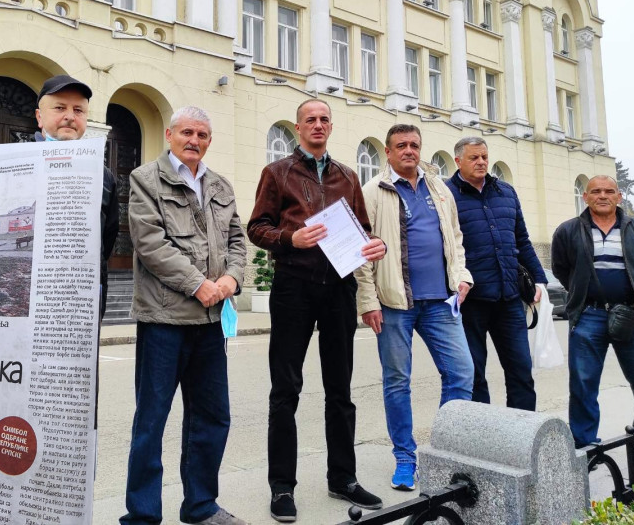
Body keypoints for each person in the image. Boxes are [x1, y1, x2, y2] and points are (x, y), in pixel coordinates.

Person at [247, 98, 387, 522]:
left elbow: (362, 230)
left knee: (340, 391)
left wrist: (373, 246)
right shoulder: (278, 173)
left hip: (339, 288)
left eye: (325, 119)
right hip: (294, 287)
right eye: (311, 119)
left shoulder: (347, 175)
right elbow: (257, 228)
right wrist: (291, 239)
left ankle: (342, 477)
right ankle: (282, 487)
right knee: (285, 390)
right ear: (298, 127)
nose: (318, 125)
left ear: (332, 125)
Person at [120, 106, 248, 525]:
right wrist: (199, 284)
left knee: (212, 418)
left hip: (212, 324)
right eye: (187, 132)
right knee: (151, 422)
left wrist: (231, 280)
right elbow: (150, 244)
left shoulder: (220, 185)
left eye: (203, 134)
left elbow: (237, 242)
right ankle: (142, 516)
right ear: (170, 134)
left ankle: (201, 506)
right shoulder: (145, 179)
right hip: (164, 321)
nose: (195, 140)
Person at [355, 124, 474, 492]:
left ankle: (443, 453)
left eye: (415, 145)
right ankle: (405, 459)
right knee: (397, 382)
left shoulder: (440, 189)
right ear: (387, 152)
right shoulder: (373, 191)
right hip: (394, 304)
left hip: (441, 301)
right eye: (401, 145)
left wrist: (462, 276)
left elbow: (455, 238)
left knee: (461, 374)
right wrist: (368, 301)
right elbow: (362, 252)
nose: (409, 150)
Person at [551, 175, 634, 462]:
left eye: (609, 191)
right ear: (585, 197)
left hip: (633, 316)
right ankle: (586, 448)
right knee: (583, 385)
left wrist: (633, 299)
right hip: (588, 316)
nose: (602, 195)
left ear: (618, 197)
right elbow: (561, 269)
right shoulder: (568, 230)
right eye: (595, 191)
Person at [446, 137, 546, 411]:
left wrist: (538, 278)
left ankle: (522, 434)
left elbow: (522, 240)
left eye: (484, 157)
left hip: (509, 298)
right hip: (470, 302)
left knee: (521, 371)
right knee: (474, 374)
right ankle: (484, 438)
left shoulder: (506, 192)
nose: (481, 162)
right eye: (473, 158)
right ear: (458, 161)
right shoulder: (445, 195)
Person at [34, 74, 120, 320]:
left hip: (80, 301)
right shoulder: (16, 160)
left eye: (78, 110)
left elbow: (107, 238)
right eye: (60, 108)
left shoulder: (104, 177)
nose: (70, 116)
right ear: (40, 116)